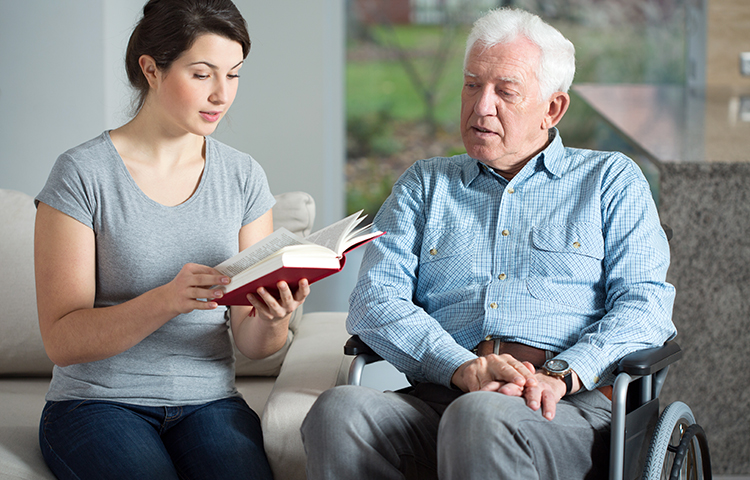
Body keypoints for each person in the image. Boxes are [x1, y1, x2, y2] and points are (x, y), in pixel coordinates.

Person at [301, 7, 676, 480]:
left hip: (563, 409)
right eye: (472, 84)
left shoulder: (609, 181)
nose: (481, 106)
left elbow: (645, 306)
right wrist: (462, 368)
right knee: (338, 412)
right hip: (442, 396)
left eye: (505, 91)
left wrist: (560, 374)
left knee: (477, 416)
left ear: (552, 109)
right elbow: (374, 302)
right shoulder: (424, 185)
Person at [34, 1, 309, 479]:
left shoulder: (243, 177)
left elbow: (253, 343)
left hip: (210, 403)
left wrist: (273, 319)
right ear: (151, 70)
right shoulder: (82, 174)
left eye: (235, 74)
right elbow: (61, 339)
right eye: (202, 74)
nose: (222, 95)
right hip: (95, 405)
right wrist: (164, 301)